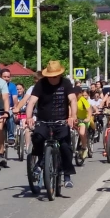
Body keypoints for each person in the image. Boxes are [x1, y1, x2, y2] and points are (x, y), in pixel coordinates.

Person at [26, 60, 78, 188]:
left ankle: (67, 175)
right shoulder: (41, 84)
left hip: (61, 120)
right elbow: (32, 102)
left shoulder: (65, 83)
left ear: (60, 75)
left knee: (65, 146)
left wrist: (72, 116)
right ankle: (40, 161)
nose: (53, 78)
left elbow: (72, 99)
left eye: (55, 76)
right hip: (43, 120)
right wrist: (29, 117)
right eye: (50, 76)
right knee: (37, 138)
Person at [0, 68, 18, 146]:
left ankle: (11, 136)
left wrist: (15, 106)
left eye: (8, 77)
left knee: (10, 116)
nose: (6, 79)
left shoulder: (12, 86)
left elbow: (15, 98)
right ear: (0, 77)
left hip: (9, 108)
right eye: (4, 77)